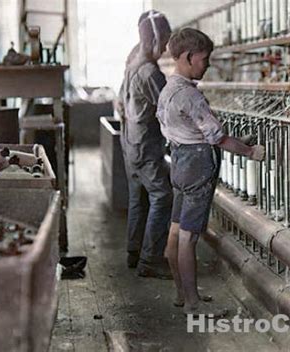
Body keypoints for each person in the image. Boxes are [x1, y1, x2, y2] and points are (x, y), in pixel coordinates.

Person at [157, 28, 265, 316]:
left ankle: (182, 293)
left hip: (179, 161)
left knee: (176, 229)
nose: (207, 64)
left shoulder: (168, 90)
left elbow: (185, 131)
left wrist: (237, 141)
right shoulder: (191, 97)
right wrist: (251, 152)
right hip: (197, 166)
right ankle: (193, 304)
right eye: (205, 59)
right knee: (189, 238)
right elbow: (216, 138)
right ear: (189, 58)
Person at [117, 10, 173, 279]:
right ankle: (150, 260)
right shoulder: (150, 72)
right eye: (163, 42)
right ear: (155, 39)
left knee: (138, 197)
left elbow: (120, 102)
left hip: (130, 140)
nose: (164, 48)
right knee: (162, 197)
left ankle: (133, 251)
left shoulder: (132, 61)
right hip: (145, 144)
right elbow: (169, 108)